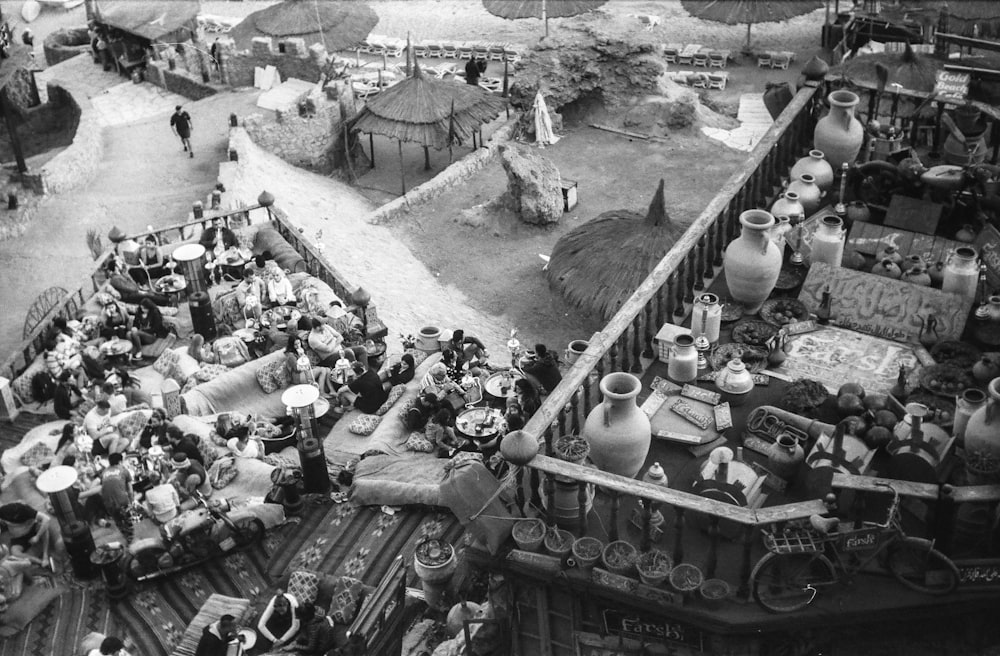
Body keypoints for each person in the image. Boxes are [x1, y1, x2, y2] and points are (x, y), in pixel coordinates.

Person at [0, 502, 63, 568]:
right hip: (18, 537)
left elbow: (46, 519)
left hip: (32, 530)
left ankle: (45, 555)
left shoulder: (26, 509)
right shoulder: (3, 512)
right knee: (15, 552)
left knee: (43, 528)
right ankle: (40, 562)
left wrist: (37, 536)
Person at [100, 452, 133, 527]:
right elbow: (130, 491)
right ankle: (129, 523)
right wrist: (132, 503)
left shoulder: (104, 472)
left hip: (108, 504)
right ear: (120, 462)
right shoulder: (124, 470)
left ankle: (120, 524)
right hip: (122, 502)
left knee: (118, 519)